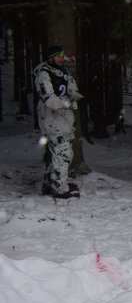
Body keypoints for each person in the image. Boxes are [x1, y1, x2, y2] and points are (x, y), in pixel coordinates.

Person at [33, 46, 84, 199]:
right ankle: (58, 187)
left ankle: (52, 182)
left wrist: (80, 99)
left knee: (64, 151)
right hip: (50, 117)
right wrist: (68, 104)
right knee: (62, 152)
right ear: (50, 58)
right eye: (58, 56)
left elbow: (71, 91)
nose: (61, 58)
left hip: (63, 119)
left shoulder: (63, 73)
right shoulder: (43, 74)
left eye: (62, 55)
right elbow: (49, 99)